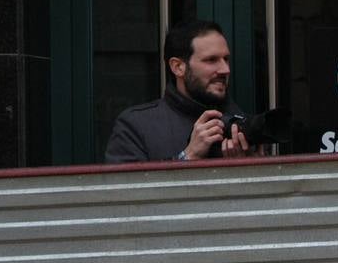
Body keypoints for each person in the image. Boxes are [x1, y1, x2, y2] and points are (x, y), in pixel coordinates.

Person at [104, 19, 254, 163]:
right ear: (178, 67)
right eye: (211, 60)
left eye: (226, 59)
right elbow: (125, 187)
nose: (225, 69)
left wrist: (251, 169)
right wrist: (189, 156)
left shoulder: (242, 122)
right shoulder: (136, 126)